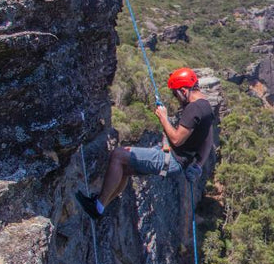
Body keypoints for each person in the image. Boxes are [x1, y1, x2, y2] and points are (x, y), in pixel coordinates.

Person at [76, 67, 214, 220]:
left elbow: (176, 139)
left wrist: (163, 117)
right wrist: (199, 165)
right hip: (177, 159)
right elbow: (208, 138)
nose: (176, 98)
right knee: (125, 168)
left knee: (118, 155)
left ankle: (98, 206)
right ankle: (100, 206)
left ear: (183, 90)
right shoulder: (206, 105)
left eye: (176, 94)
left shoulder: (193, 109)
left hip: (172, 160)